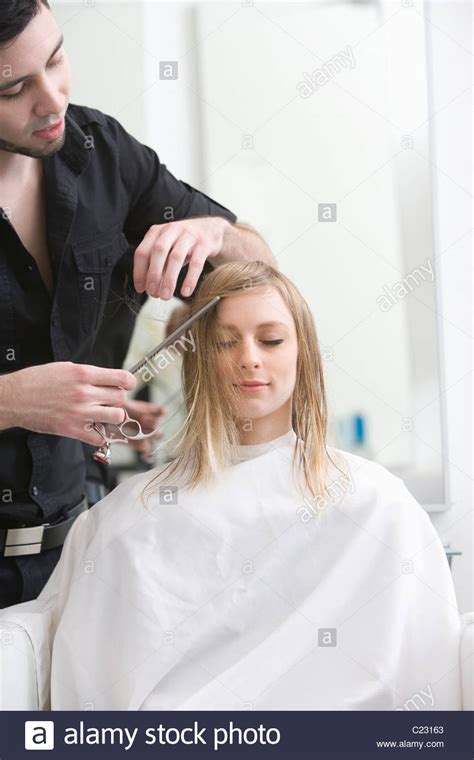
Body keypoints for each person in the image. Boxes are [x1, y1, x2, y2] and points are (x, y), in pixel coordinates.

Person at [0, 262, 461, 710]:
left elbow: (426, 679)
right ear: (199, 358)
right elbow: (91, 694)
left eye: (272, 339)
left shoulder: (376, 503)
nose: (249, 358)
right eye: (225, 342)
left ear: (304, 350)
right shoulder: (128, 516)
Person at [0, 0, 274, 607]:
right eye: (14, 88)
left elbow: (262, 272)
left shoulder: (101, 152)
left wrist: (217, 235)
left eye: (56, 59)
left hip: (79, 557)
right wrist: (14, 400)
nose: (53, 101)